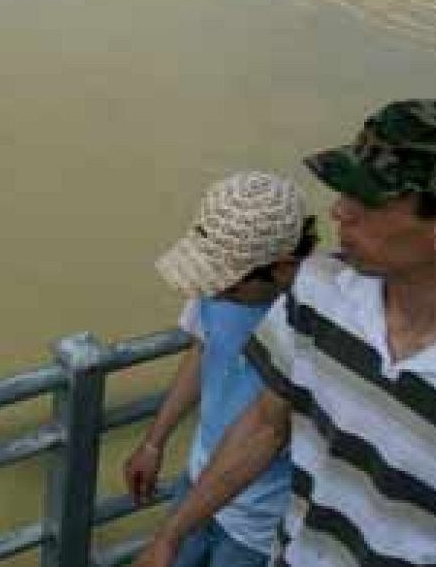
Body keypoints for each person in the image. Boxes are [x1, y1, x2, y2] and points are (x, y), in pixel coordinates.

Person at [134, 100, 436, 567]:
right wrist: (171, 536)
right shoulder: (319, 290)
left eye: (366, 201)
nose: (338, 212)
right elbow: (265, 426)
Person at [123, 171, 318, 567]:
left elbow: (267, 431)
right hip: (197, 486)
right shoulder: (219, 280)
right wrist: (153, 442)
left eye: (228, 287)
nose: (213, 293)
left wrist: (169, 537)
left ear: (281, 268)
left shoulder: (320, 322)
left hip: (261, 525)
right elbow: (205, 350)